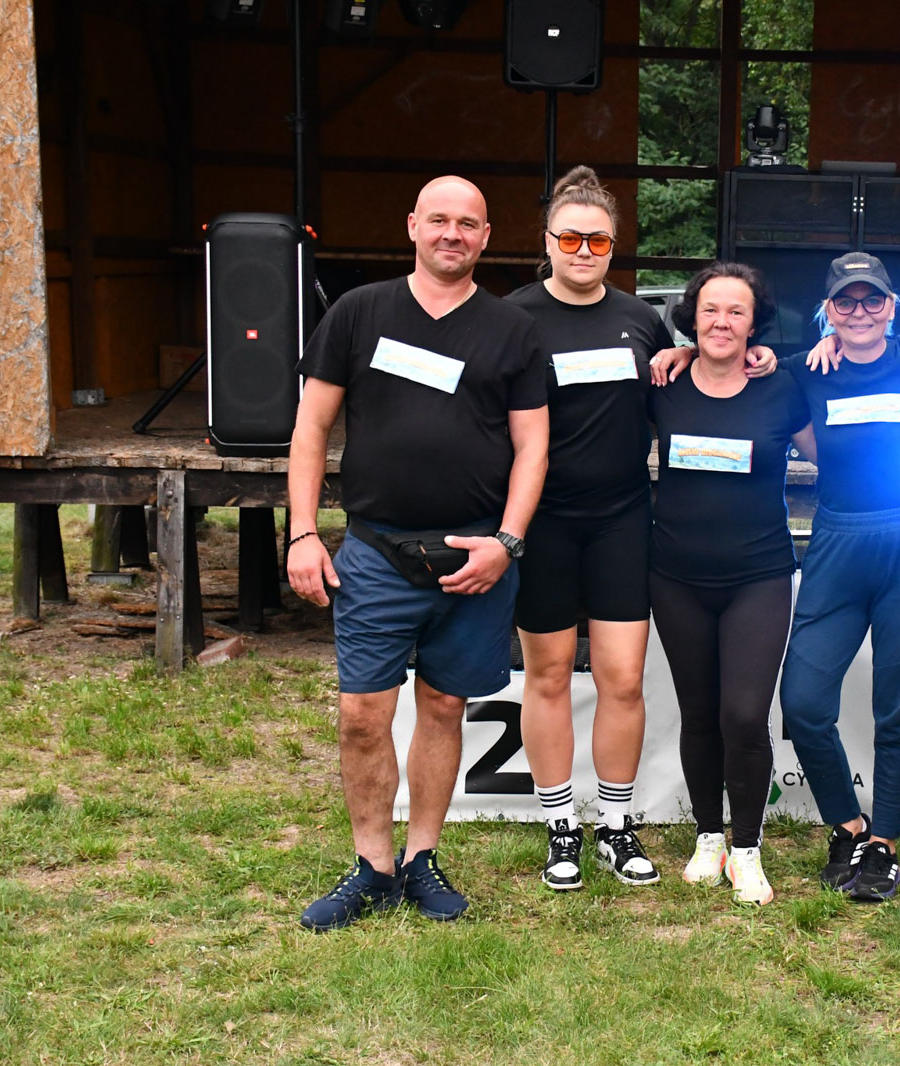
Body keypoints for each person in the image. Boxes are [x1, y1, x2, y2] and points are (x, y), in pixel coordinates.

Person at [287, 175, 550, 931]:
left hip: (474, 556)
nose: (451, 234)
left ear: (486, 237)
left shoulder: (511, 330)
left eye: (467, 224)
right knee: (361, 715)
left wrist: (507, 543)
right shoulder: (357, 312)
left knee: (443, 706)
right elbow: (310, 429)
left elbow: (533, 447)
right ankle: (371, 866)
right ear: (411, 226)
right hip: (375, 550)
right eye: (438, 220)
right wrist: (303, 531)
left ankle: (421, 859)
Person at [503, 168, 673, 892]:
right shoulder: (513, 318)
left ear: (614, 244)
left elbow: (680, 385)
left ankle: (615, 823)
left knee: (622, 678)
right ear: (546, 242)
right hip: (542, 521)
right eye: (569, 238)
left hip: (621, 518)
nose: (583, 251)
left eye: (597, 240)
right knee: (546, 675)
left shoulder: (642, 320)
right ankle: (559, 827)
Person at [776, 252, 900, 902]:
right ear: (828, 310)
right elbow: (738, 361)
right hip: (839, 540)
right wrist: (679, 354)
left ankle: (884, 844)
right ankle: (847, 826)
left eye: (872, 299)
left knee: (899, 708)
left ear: (891, 305)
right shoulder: (805, 369)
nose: (859, 312)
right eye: (845, 302)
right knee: (804, 701)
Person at [647, 262, 816, 906]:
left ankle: (747, 847)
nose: (722, 322)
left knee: (743, 715)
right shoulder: (662, 384)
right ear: (691, 317)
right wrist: (679, 354)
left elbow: (834, 457)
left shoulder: (781, 387)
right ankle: (708, 836)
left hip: (758, 576)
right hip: (676, 576)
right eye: (710, 310)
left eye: (736, 311)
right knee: (698, 713)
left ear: (755, 323)